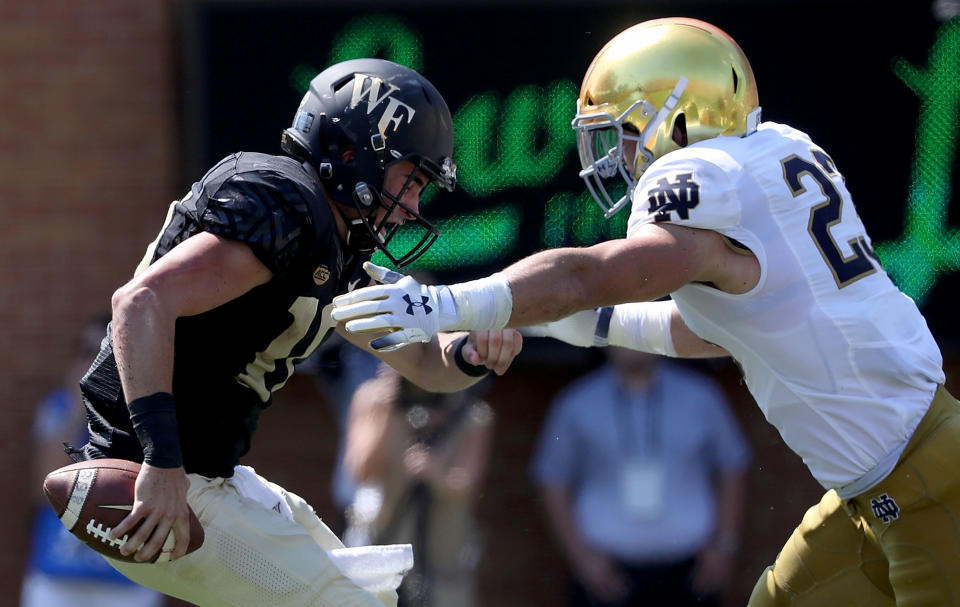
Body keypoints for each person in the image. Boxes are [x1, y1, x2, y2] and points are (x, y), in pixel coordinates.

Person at [331, 18, 958, 605]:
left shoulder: (703, 183)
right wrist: (546, 319)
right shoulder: (772, 159)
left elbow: (589, 276)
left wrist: (441, 304)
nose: (619, 157)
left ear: (678, 119)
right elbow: (712, 333)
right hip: (878, 485)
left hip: (924, 481)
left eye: (626, 133)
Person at [67, 58, 522, 607]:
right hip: (155, 478)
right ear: (354, 152)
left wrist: (471, 354)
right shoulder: (286, 205)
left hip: (211, 476)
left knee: (372, 593)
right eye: (412, 178)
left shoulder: (333, 241)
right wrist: (161, 462)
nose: (413, 206)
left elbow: (427, 365)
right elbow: (140, 303)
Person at [530, 347, 749, 607]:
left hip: (691, 573)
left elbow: (732, 465)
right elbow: (551, 479)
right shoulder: (576, 402)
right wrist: (582, 559)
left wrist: (723, 546)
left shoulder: (701, 396)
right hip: (607, 575)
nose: (631, 341)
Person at [22, 314, 164, 607]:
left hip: (127, 581)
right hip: (57, 576)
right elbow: (41, 489)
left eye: (103, 353)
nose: (92, 363)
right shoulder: (59, 407)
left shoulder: (153, 417)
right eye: (86, 352)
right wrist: (77, 409)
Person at [342, 364, 494, 607]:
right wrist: (389, 410)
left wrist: (435, 473)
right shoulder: (373, 399)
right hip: (381, 544)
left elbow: (468, 486)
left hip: (442, 555)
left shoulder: (471, 412)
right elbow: (361, 472)